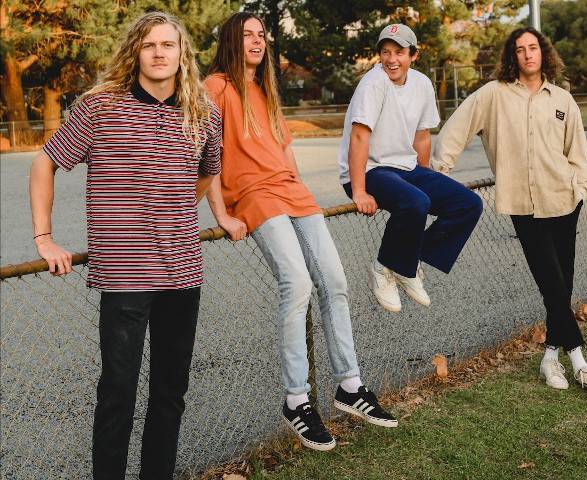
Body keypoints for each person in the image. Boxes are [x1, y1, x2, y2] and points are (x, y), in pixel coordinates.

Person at [29, 12, 222, 479]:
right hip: (125, 273)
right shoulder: (100, 107)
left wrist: (172, 208)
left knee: (170, 393)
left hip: (182, 272)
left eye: (168, 45)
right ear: (135, 50)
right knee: (118, 390)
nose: (159, 53)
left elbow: (208, 171)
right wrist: (44, 236)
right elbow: (45, 163)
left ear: (182, 54)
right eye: (150, 44)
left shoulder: (203, 112)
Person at [203, 12, 397, 452]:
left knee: (335, 281)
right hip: (253, 196)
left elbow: (285, 150)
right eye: (247, 35)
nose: (256, 41)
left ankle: (350, 385)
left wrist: (300, 190)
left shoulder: (265, 89)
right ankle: (296, 399)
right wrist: (222, 214)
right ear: (231, 41)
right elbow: (205, 153)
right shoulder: (215, 87)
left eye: (261, 35)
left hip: (292, 193)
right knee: (297, 283)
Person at [433, 27, 587, 394]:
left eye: (533, 48)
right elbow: (456, 129)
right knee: (551, 282)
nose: (528, 54)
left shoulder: (562, 99)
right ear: (511, 57)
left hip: (564, 199)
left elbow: (578, 151)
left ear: (543, 53)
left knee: (562, 284)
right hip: (523, 205)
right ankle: (580, 362)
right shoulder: (493, 95)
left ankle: (549, 359)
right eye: (520, 49)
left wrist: (580, 187)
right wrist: (438, 175)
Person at [338, 24, 483, 313]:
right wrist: (358, 190)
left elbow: (422, 136)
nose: (392, 59)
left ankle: (405, 262)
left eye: (399, 53)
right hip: (370, 170)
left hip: (406, 167)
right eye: (386, 52)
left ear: (413, 55)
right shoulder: (373, 83)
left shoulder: (421, 84)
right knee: (417, 201)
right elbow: (358, 136)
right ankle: (384, 267)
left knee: (468, 204)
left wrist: (426, 175)